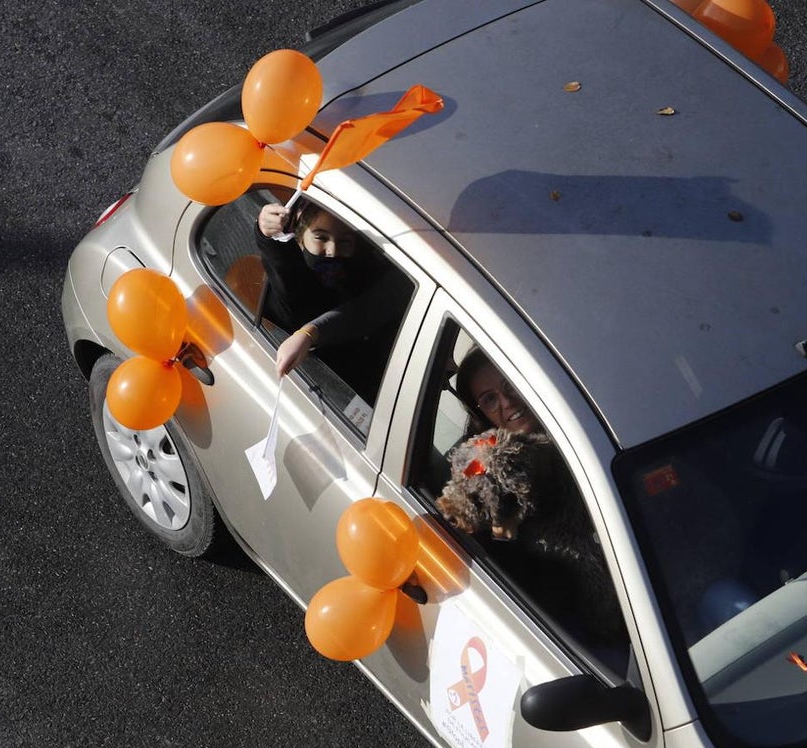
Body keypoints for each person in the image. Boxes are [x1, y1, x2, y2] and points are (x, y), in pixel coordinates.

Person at [437, 347, 627, 646]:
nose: (507, 401)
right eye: (489, 399)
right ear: (481, 414)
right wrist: (503, 532)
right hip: (591, 619)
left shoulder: (591, 418)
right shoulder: (487, 467)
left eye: (510, 385)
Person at [254, 199, 408, 401]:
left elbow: (369, 308)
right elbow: (282, 266)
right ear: (300, 239)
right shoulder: (294, 286)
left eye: (345, 241)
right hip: (312, 393)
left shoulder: (369, 275)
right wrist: (265, 232)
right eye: (320, 237)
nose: (332, 250)